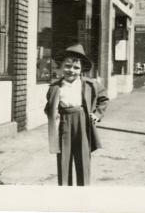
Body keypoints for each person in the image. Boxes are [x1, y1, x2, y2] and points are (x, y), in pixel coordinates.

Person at [44, 44, 109, 186]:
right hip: (63, 124)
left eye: (76, 68)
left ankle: (82, 194)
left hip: (83, 123)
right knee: (63, 160)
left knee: (83, 159)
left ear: (81, 70)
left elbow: (103, 99)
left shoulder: (90, 84)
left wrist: (97, 114)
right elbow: (48, 106)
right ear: (61, 67)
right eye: (67, 66)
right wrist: (53, 115)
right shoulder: (55, 87)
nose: (71, 71)